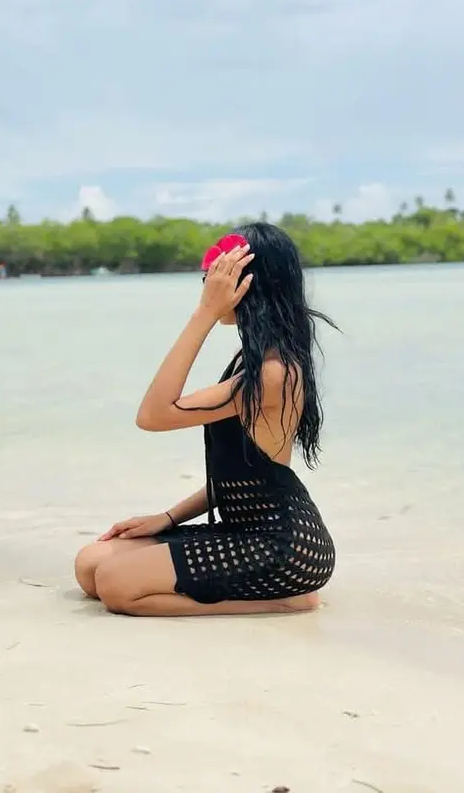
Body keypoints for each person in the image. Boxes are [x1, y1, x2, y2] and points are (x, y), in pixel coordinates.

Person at [74, 223, 337, 617]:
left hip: (281, 544)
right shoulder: (250, 363)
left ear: (247, 284)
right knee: (90, 565)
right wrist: (166, 518)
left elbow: (153, 416)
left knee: (116, 586)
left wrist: (205, 313)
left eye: (217, 276)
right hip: (243, 532)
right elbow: (242, 478)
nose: (208, 284)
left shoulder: (274, 373)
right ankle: (264, 594)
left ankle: (285, 600)